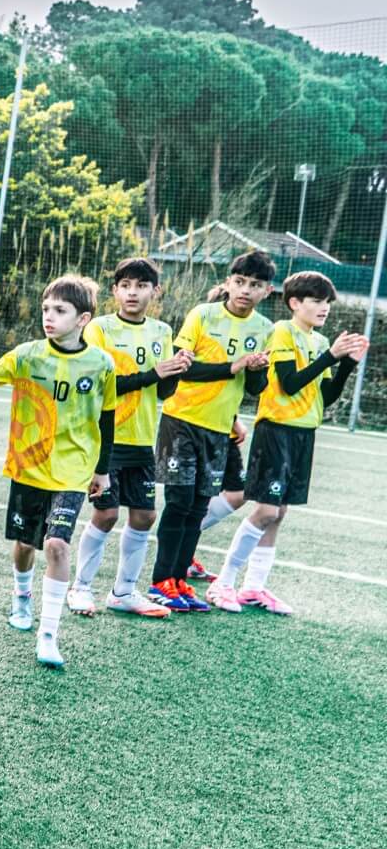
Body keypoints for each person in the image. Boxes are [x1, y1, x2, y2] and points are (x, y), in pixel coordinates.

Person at [0, 276, 117, 669]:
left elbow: (107, 419)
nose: (49, 316)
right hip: (29, 467)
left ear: (83, 319)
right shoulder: (27, 356)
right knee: (24, 545)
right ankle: (22, 597)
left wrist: (102, 471)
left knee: (57, 545)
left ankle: (48, 635)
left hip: (73, 471)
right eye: (46, 309)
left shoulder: (102, 364)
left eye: (60, 310)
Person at [208, 270, 368, 614]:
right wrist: (331, 357)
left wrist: (346, 365)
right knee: (266, 509)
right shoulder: (283, 331)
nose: (324, 308)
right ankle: (224, 582)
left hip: (304, 432)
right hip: (276, 429)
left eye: (327, 302)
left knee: (278, 513)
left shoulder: (320, 341)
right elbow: (290, 383)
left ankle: (253, 588)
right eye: (316, 301)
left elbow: (326, 396)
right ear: (295, 303)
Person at [149, 251, 274, 612]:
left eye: (255, 285)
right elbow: (182, 368)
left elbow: (255, 387)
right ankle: (160, 582)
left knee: (198, 506)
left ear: (267, 291)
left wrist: (255, 369)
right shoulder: (203, 315)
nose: (245, 290)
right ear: (229, 282)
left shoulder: (264, 329)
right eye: (240, 282)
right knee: (179, 503)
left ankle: (179, 582)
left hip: (218, 429)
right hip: (181, 421)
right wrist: (233, 366)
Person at [68, 258, 188, 618]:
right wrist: (154, 372)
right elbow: (100, 385)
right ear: (115, 290)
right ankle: (80, 588)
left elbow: (163, 390)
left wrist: (176, 370)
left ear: (156, 291)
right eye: (125, 286)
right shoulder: (100, 329)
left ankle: (123, 592)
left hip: (142, 439)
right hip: (107, 438)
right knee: (106, 514)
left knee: (145, 516)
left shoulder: (162, 331)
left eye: (141, 286)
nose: (132, 292)